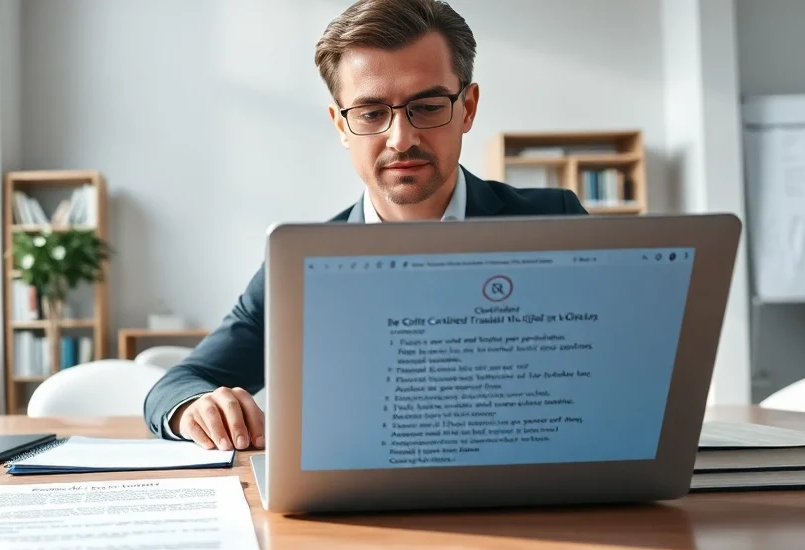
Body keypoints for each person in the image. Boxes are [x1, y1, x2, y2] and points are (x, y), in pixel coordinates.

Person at [142, 0, 588, 450]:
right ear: (341, 125)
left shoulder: (558, 222)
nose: (402, 139)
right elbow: (177, 384)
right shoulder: (300, 264)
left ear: (467, 108)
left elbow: (636, 360)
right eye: (372, 113)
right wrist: (195, 407)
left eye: (428, 106)